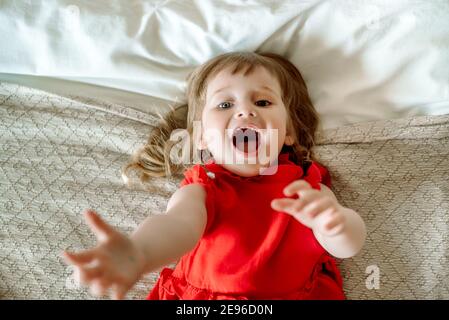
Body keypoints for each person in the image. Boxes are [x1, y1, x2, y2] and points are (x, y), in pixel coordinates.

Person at [62, 52, 366, 300]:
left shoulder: (306, 187)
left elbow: (348, 246)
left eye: (263, 102)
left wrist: (334, 226)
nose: (245, 112)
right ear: (202, 137)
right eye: (224, 104)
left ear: (288, 132)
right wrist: (139, 252)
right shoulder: (202, 187)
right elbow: (177, 226)